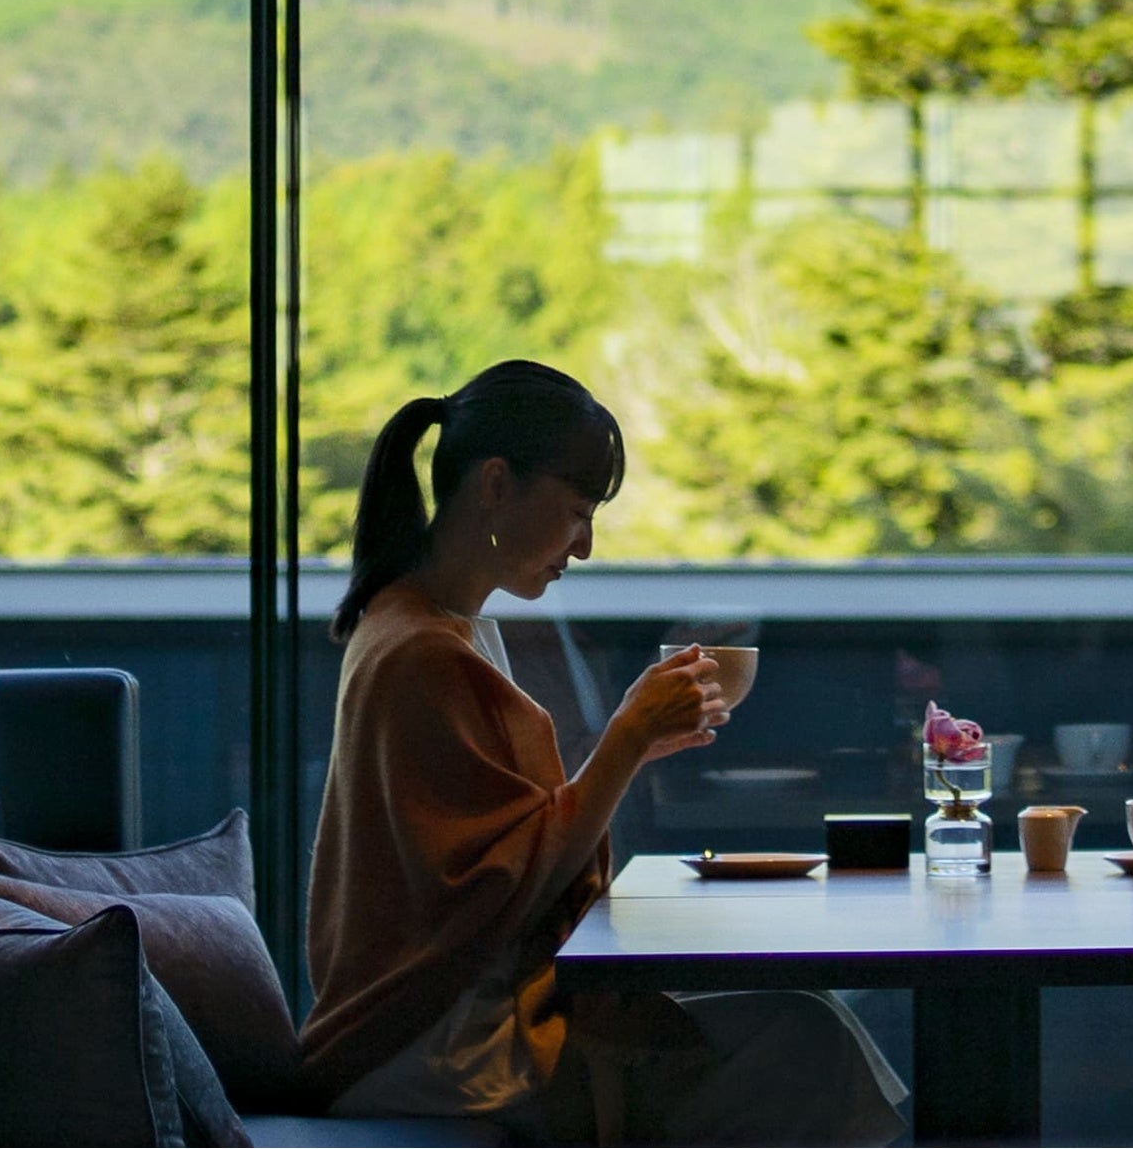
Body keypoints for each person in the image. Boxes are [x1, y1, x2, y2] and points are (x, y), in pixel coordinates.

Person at [305, 360, 906, 1145]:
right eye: (576, 511)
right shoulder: (426, 652)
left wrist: (639, 741)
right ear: (495, 485)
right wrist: (625, 737)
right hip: (444, 1051)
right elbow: (502, 887)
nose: (582, 547)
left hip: (449, 1025)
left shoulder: (428, 623)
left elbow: (499, 848)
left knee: (810, 1016)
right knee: (808, 1043)